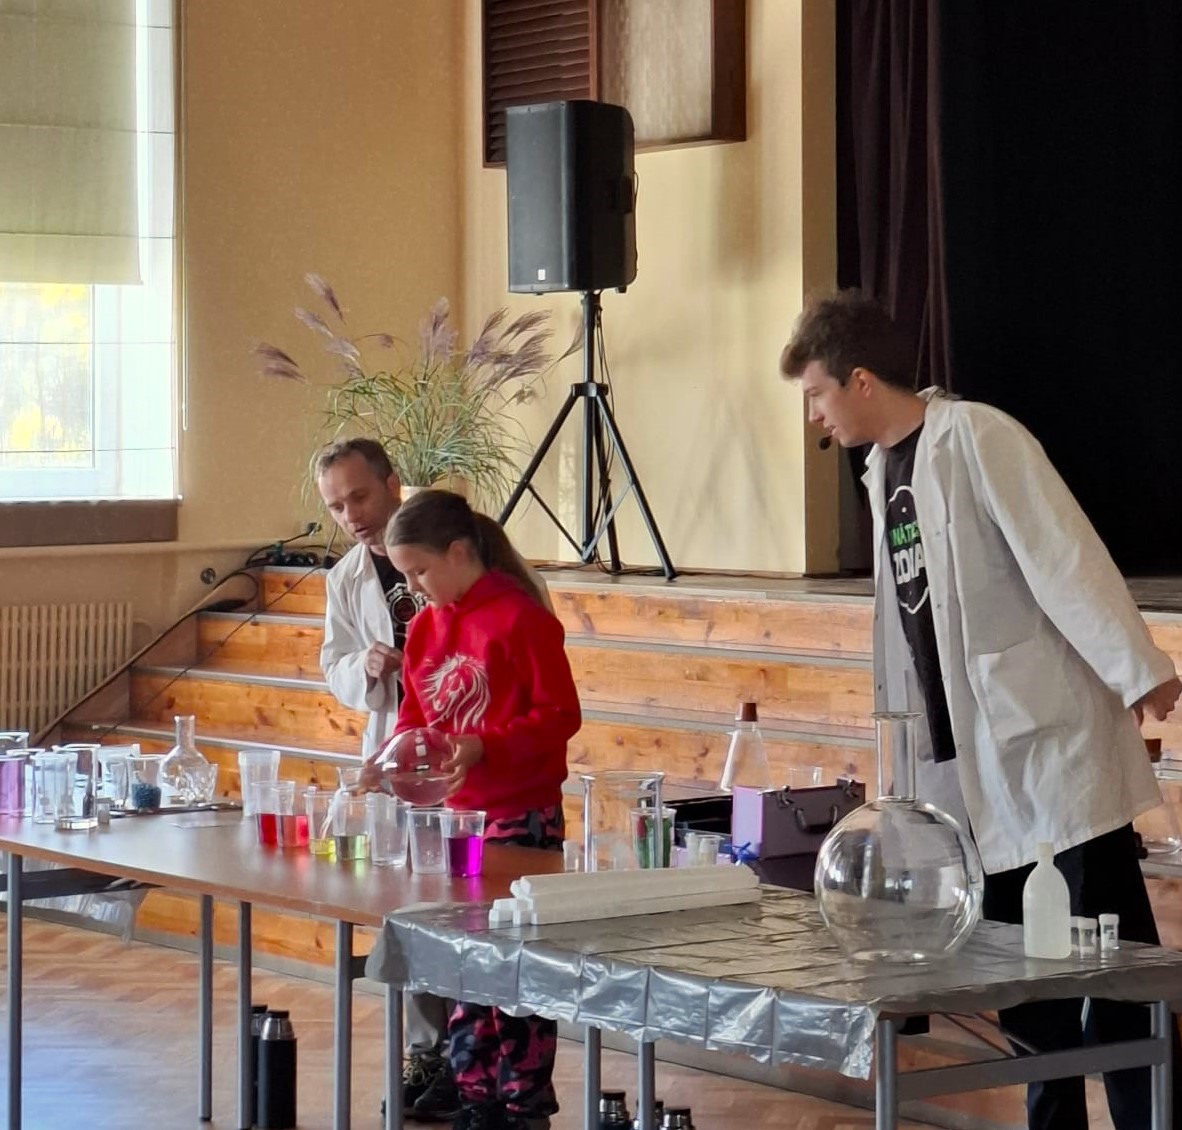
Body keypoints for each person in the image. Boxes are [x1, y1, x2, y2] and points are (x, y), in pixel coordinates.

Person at [780, 289, 1182, 1130]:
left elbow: (1061, 555)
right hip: (970, 773)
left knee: (1113, 971)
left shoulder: (976, 437)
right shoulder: (883, 471)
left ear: (860, 381)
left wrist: (1136, 667)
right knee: (1017, 983)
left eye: (817, 394)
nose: (814, 415)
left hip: (1052, 751)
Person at [381, 489, 582, 1130]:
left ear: (459, 552)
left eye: (419, 571)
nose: (413, 588)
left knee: (516, 966)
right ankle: (475, 1096)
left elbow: (559, 716)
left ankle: (522, 1103)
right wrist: (394, 761)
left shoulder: (522, 619)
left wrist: (482, 745)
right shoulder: (424, 628)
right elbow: (414, 717)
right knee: (463, 963)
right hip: (455, 819)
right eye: (405, 576)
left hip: (520, 813)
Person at [316, 438, 457, 1120]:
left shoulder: (456, 544)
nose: (352, 516)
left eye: (360, 497)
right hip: (398, 752)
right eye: (337, 507)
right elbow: (333, 664)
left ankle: (474, 1057)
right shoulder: (345, 577)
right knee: (409, 909)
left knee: (466, 908)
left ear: (393, 483)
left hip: (465, 751)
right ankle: (427, 1051)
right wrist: (365, 667)